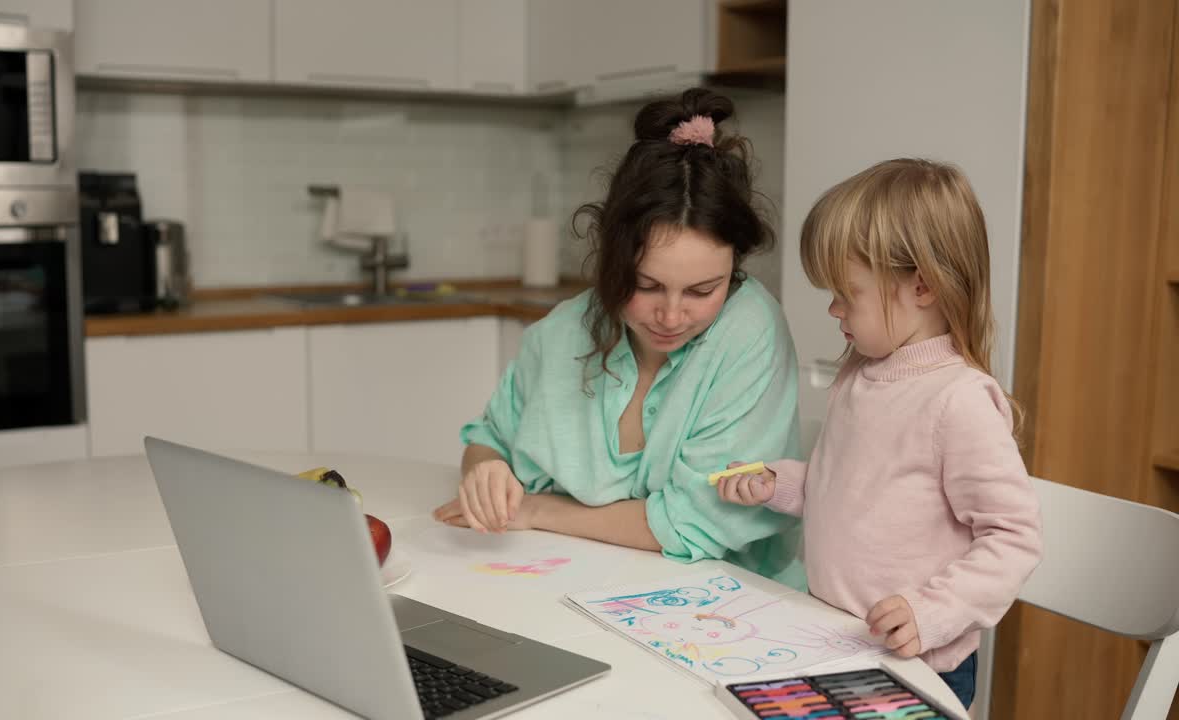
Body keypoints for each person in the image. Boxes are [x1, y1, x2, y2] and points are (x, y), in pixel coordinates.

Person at [432, 88, 806, 588]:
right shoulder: (564, 330)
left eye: (702, 290)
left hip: (727, 606)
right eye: (646, 285)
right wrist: (486, 473)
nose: (670, 315)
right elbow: (488, 440)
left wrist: (541, 510)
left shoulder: (750, 330)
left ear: (734, 267)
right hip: (575, 583)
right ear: (611, 257)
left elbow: (695, 521)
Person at [714, 158, 1043, 707]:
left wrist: (932, 613)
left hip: (915, 662)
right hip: (833, 638)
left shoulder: (958, 400)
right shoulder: (861, 373)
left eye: (847, 292)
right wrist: (780, 483)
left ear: (923, 286)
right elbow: (850, 486)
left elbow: (1013, 538)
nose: (833, 307)